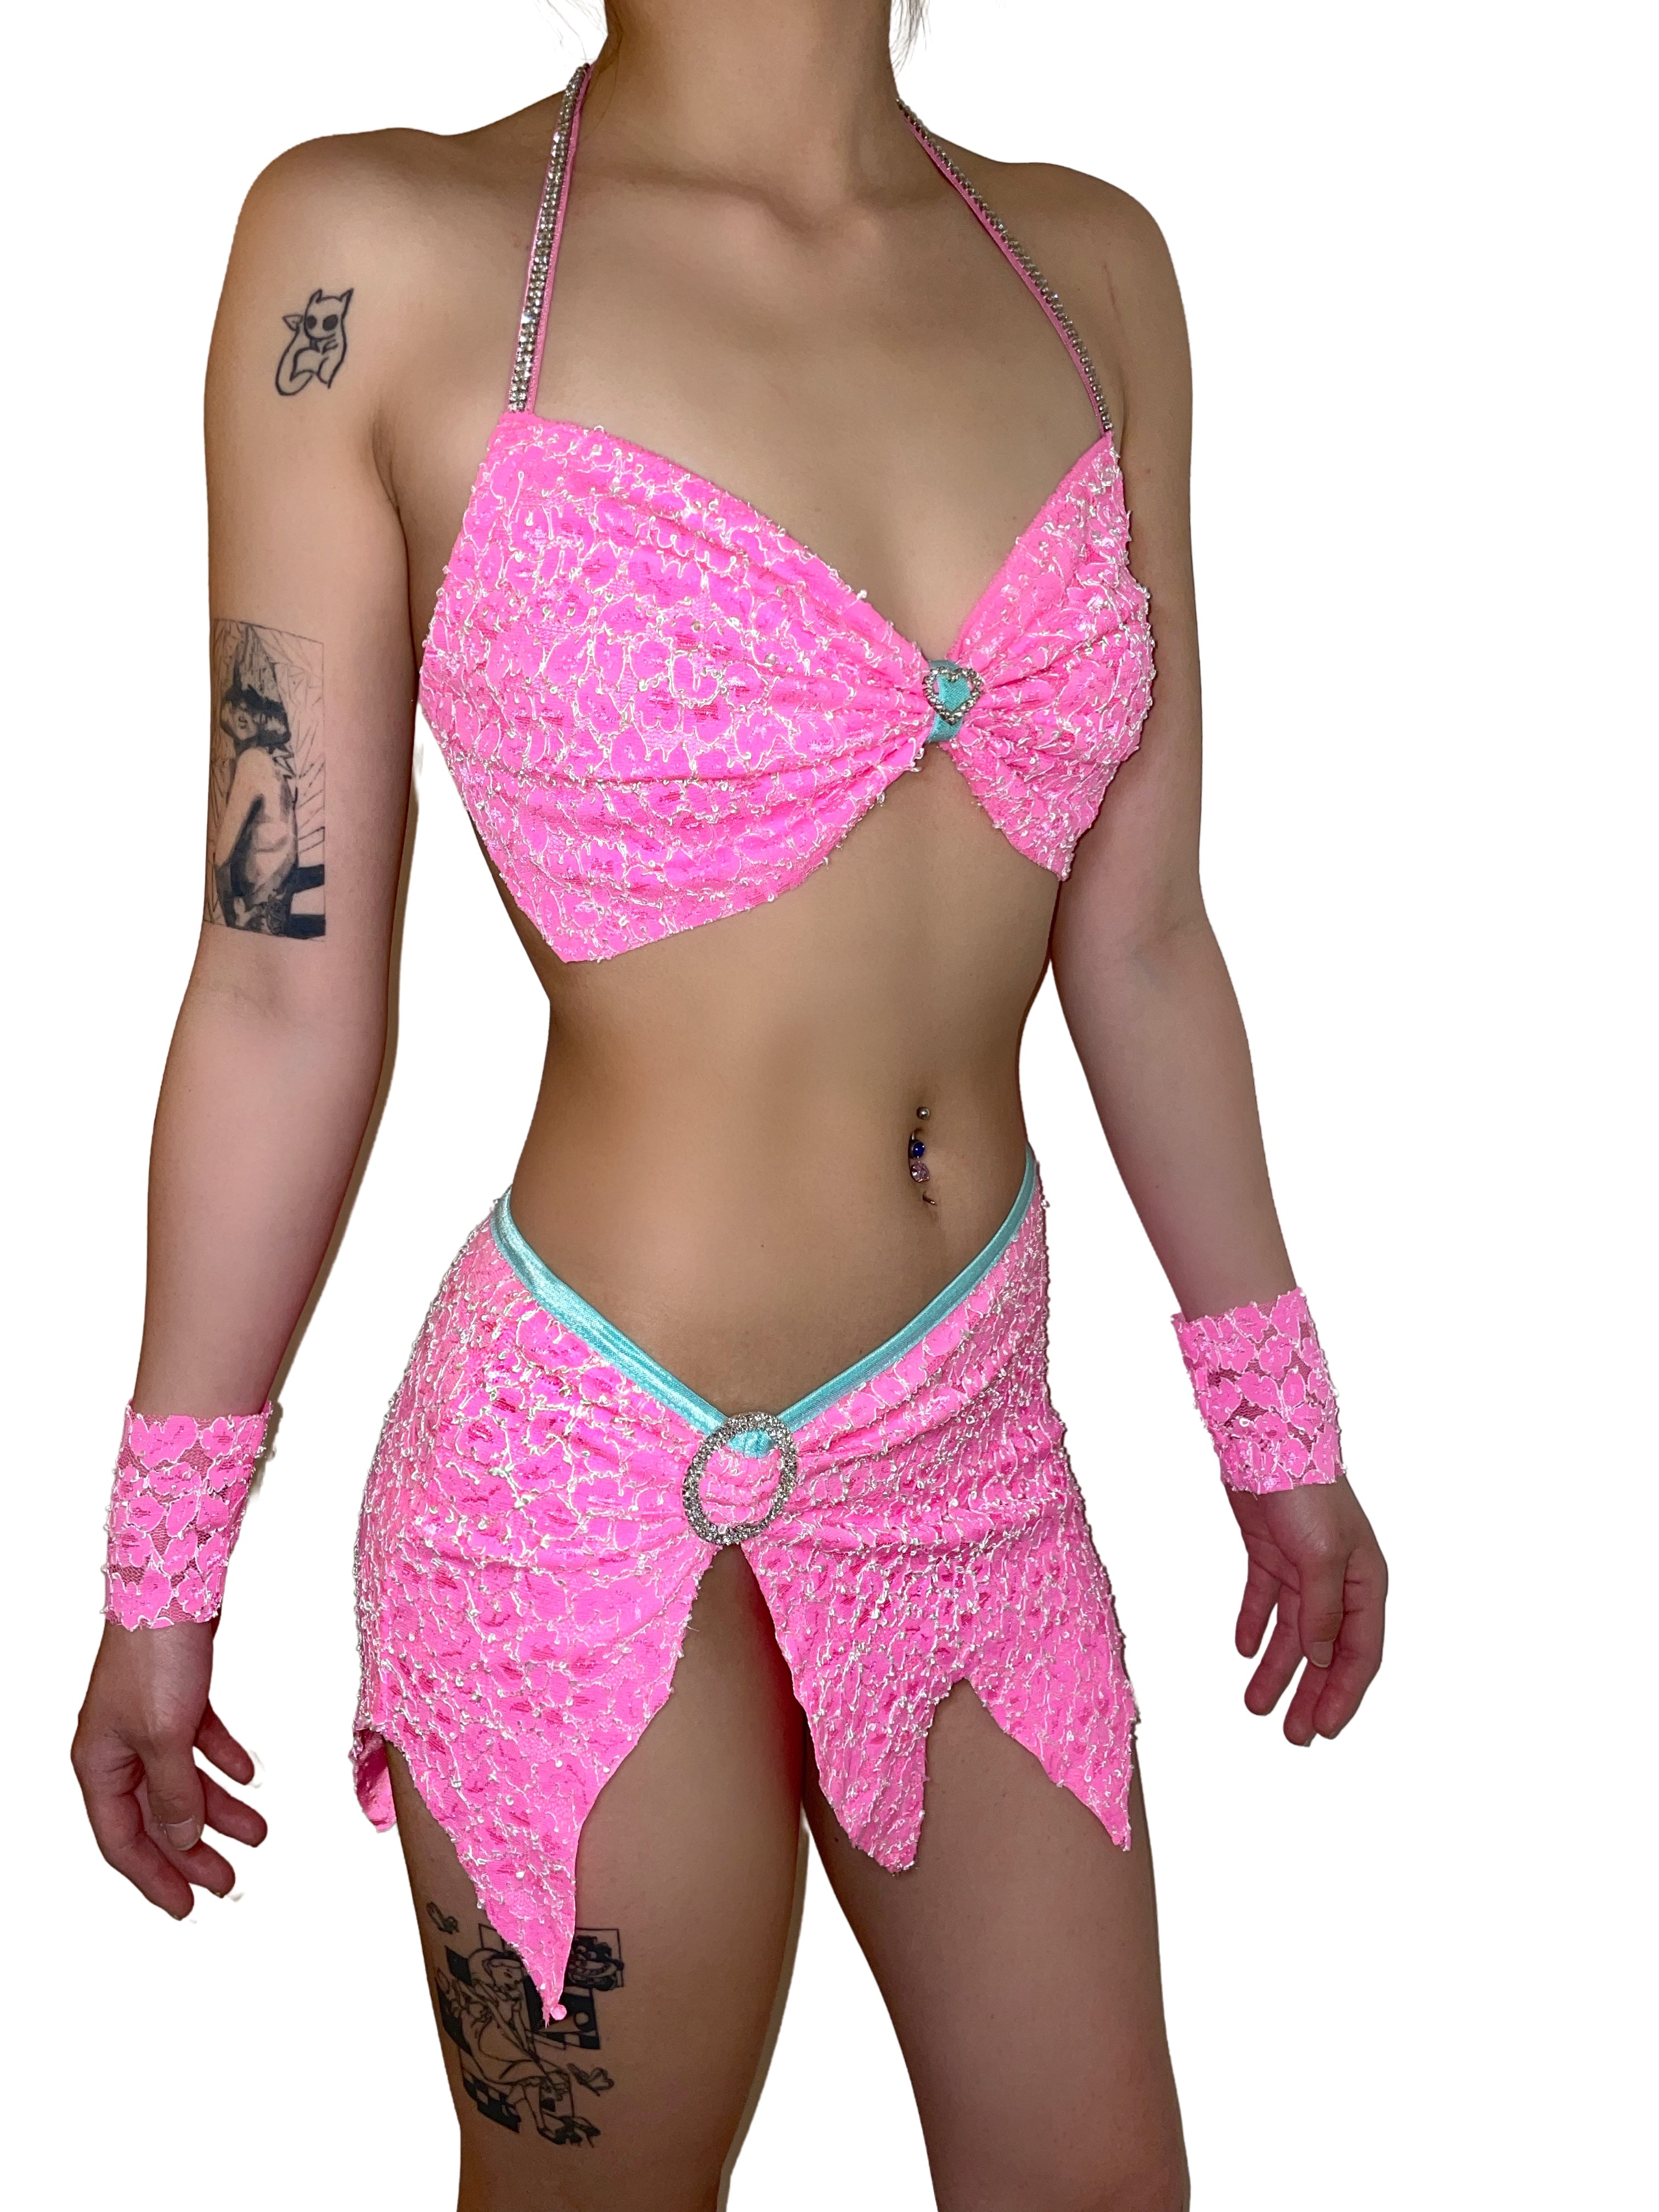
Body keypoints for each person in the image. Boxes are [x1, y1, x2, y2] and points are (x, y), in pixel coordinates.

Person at [74, 5, 1388, 2207]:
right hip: (587, 1466)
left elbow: (1146, 937)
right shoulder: (374, 252)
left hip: (972, 1437)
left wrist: (1279, 1421)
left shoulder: (1094, 270)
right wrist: (161, 1559)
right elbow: (280, 980)